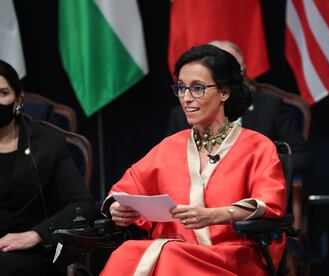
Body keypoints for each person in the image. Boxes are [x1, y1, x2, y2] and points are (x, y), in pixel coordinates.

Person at [100, 45, 287, 275]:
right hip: (175, 250)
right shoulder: (169, 146)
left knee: (168, 256)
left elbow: (269, 203)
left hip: (233, 256)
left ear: (224, 92)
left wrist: (213, 215)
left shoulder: (257, 146)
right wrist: (118, 208)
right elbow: (124, 189)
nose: (186, 98)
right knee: (127, 252)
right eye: (181, 88)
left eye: (197, 88)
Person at [0, 59, 94, 275]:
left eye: (3, 93)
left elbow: (82, 205)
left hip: (31, 251)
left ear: (17, 100)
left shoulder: (47, 142)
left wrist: (37, 235)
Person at [167, 40, 311, 174]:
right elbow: (165, 165)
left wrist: (255, 167)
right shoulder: (182, 114)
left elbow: (300, 156)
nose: (187, 98)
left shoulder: (270, 108)